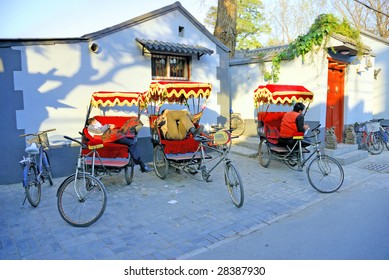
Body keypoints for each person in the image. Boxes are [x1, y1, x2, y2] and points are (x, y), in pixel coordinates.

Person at [87, 117, 153, 173]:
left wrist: (109, 127)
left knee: (133, 121)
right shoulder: (90, 127)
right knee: (132, 143)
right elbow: (100, 131)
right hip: (109, 136)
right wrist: (108, 125)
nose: (98, 122)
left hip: (111, 134)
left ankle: (131, 131)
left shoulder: (95, 126)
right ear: (92, 122)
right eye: (96, 121)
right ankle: (142, 165)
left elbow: (101, 129)